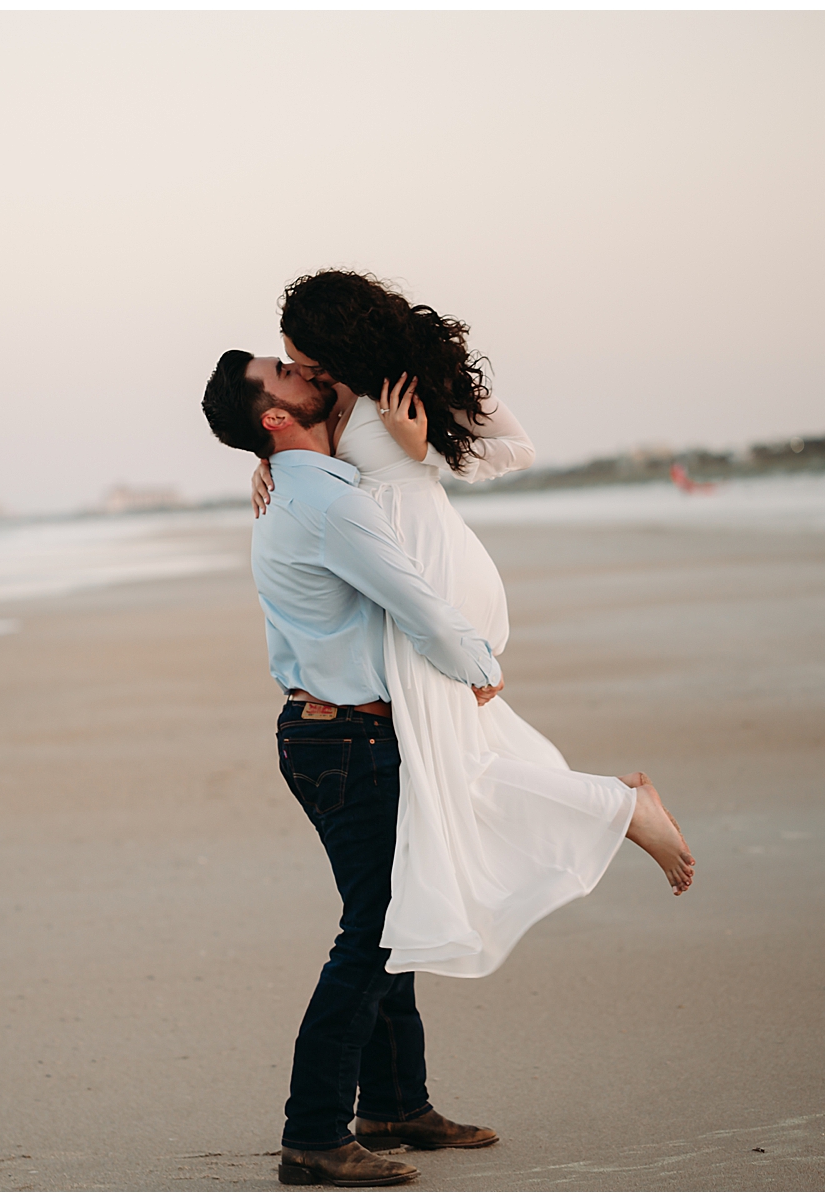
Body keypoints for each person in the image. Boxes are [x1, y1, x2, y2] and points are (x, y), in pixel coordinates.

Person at [264, 270, 694, 988]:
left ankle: (621, 808)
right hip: (384, 571)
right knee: (446, 751)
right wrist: (266, 465)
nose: (301, 369)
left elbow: (515, 450)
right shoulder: (328, 391)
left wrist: (423, 448)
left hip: (429, 566)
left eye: (304, 355)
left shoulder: (414, 377)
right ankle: (614, 803)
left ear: (337, 334)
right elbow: (300, 450)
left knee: (445, 756)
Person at [201, 348, 508, 1187]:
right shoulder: (325, 505)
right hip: (348, 743)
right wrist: (481, 666)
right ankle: (314, 1134)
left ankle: (396, 1105)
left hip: (328, 736)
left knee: (390, 914)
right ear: (275, 417)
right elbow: (417, 602)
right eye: (287, 372)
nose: (309, 373)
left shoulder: (302, 489)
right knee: (371, 935)